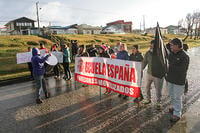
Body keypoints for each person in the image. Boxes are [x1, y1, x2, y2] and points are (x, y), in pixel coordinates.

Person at [167, 38, 189, 122]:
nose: (170, 47)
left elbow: (183, 69)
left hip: (179, 81)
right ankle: (174, 107)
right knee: (172, 95)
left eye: (172, 45)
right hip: (170, 79)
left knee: (177, 97)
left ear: (177, 46)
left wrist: (170, 67)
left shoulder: (185, 56)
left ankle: (177, 114)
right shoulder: (171, 54)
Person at [143, 40, 165, 108]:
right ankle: (148, 99)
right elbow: (144, 62)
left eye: (153, 45)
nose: (151, 46)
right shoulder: (148, 53)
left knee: (158, 89)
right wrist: (139, 69)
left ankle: (159, 101)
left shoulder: (161, 53)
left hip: (158, 75)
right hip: (149, 74)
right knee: (147, 87)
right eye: (151, 44)